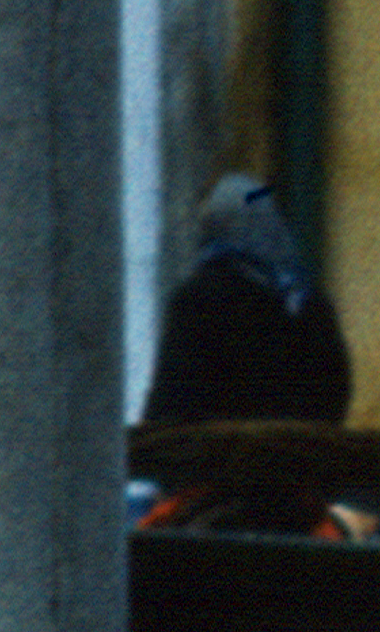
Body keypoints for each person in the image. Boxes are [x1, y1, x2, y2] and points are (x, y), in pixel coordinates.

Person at [138, 174, 354, 534]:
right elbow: (336, 390)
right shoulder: (308, 303)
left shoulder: (200, 298)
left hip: (210, 492)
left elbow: (172, 396)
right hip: (296, 499)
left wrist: (161, 465)